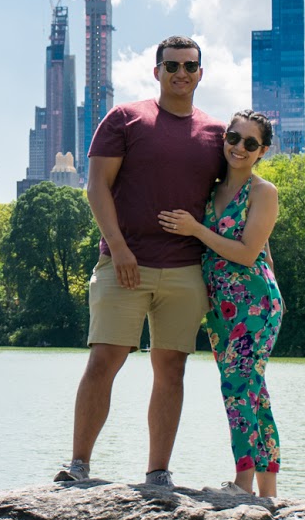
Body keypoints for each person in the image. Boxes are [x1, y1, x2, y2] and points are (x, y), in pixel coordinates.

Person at [54, 36, 224, 488]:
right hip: (124, 263)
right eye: (172, 66)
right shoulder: (126, 119)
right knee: (106, 357)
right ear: (157, 71)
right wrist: (120, 248)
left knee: (172, 368)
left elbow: (236, 196)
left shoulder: (216, 135)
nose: (181, 74)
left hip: (187, 270)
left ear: (200, 74)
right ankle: (78, 465)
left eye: (190, 66)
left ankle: (158, 472)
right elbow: (96, 187)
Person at [158, 110, 283, 498]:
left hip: (256, 306)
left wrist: (196, 229)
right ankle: (270, 492)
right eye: (233, 138)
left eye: (250, 143)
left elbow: (249, 254)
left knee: (236, 386)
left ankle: (242, 484)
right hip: (220, 309)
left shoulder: (264, 192)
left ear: (261, 151)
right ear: (224, 139)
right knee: (252, 391)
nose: (239, 148)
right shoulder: (209, 191)